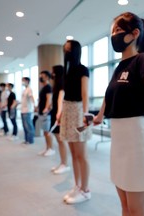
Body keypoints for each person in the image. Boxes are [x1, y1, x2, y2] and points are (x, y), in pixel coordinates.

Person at [93, 12, 144, 216]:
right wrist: (100, 116)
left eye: (118, 30)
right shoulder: (119, 67)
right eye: (113, 32)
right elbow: (109, 94)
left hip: (137, 143)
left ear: (135, 33)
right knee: (125, 207)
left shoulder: (143, 59)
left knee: (137, 209)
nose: (114, 36)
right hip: (118, 143)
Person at [60, 39, 92, 204]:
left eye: (68, 49)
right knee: (73, 153)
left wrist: (85, 116)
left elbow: (85, 93)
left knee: (82, 154)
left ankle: (86, 190)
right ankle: (78, 185)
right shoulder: (67, 71)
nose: (66, 51)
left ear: (75, 51)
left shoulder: (82, 69)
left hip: (79, 111)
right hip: (68, 110)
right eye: (64, 49)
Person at [50, 65, 70, 174]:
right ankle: (62, 162)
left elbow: (61, 100)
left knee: (61, 140)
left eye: (53, 71)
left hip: (59, 114)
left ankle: (65, 164)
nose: (51, 73)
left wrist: (59, 114)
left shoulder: (62, 83)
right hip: (56, 113)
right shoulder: (57, 84)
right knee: (59, 140)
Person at [37, 70, 55, 156]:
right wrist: (37, 107)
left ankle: (51, 148)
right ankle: (47, 148)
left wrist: (46, 108)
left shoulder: (48, 87)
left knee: (47, 132)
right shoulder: (43, 88)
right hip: (41, 112)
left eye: (42, 76)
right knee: (45, 132)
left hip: (46, 113)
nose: (41, 77)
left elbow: (49, 98)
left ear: (47, 77)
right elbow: (41, 99)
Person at [21, 77, 35, 144]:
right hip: (22, 110)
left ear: (27, 81)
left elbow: (31, 97)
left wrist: (34, 105)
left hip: (28, 110)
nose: (22, 82)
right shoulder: (24, 90)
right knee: (24, 126)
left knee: (29, 126)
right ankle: (26, 139)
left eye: (23, 81)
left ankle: (30, 140)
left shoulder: (29, 89)